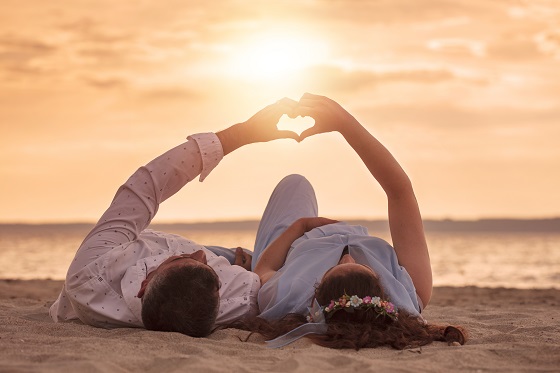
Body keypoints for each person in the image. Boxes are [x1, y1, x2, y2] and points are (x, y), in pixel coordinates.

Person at [49, 99, 300, 338]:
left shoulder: (93, 269)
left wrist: (237, 136)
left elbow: (145, 186)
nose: (200, 254)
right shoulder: (240, 297)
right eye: (211, 270)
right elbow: (261, 285)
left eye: (184, 259)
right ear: (218, 296)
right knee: (296, 186)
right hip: (244, 274)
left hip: (133, 261)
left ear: (145, 284)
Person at [249, 93, 467, 349]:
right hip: (314, 233)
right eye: (361, 267)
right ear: (382, 290)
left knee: (295, 184)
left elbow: (263, 269)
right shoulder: (410, 293)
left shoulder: (288, 296)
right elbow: (400, 191)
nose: (347, 257)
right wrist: (344, 124)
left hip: (295, 239)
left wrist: (301, 227)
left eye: (335, 267)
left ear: (313, 298)